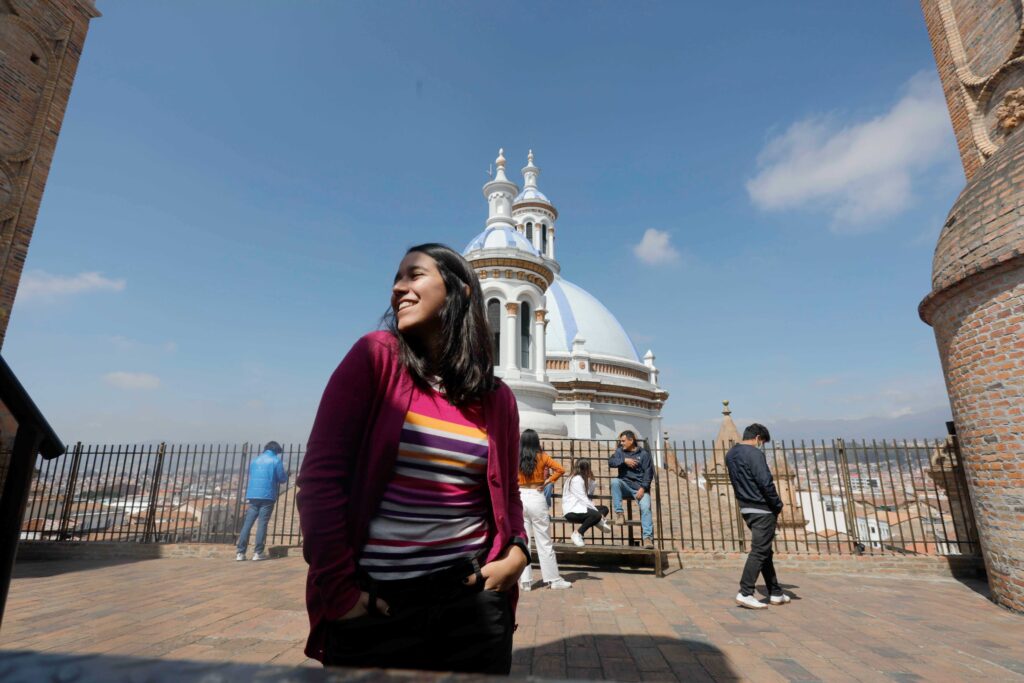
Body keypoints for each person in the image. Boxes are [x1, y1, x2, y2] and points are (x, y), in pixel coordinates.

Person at [296, 243, 529, 674]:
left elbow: (507, 492)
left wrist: (517, 551)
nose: (398, 288)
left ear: (460, 292)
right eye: (396, 278)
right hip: (379, 606)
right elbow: (320, 481)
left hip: (471, 603)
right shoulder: (376, 357)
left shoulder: (497, 400)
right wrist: (340, 592)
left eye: (414, 275)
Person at [724, 423, 791, 609]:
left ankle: (775, 592)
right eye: (762, 442)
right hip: (762, 508)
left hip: (746, 507)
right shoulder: (754, 454)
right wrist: (777, 504)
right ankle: (745, 592)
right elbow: (765, 482)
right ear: (758, 438)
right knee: (759, 551)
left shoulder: (730, 454)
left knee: (764, 551)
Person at [517, 429, 571, 591]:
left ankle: (525, 581)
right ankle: (553, 579)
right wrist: (547, 482)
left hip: (520, 496)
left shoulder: (515, 457)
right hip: (536, 495)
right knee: (544, 541)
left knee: (523, 541)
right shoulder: (542, 456)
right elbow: (561, 469)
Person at [235, 440, 288, 562]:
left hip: (253, 495)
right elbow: (282, 479)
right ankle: (258, 552)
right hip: (267, 495)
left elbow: (252, 475)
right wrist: (287, 474)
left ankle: (240, 552)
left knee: (247, 524)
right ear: (276, 450)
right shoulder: (275, 460)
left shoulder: (255, 460)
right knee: (262, 524)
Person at [608, 430, 655, 548]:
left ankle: (648, 538)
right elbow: (611, 462)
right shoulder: (620, 452)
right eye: (621, 441)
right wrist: (624, 461)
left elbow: (648, 473)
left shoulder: (644, 454)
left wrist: (643, 489)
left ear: (631, 440)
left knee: (646, 508)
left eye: (623, 441)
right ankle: (619, 513)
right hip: (624, 484)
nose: (621, 443)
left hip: (639, 488)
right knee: (614, 482)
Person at [561, 459, 611, 546]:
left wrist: (592, 480)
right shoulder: (577, 479)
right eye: (588, 468)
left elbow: (588, 494)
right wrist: (596, 512)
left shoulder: (579, 478)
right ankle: (578, 533)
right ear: (584, 469)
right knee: (597, 514)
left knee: (604, 509)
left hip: (580, 507)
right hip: (572, 510)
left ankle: (598, 521)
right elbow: (583, 498)